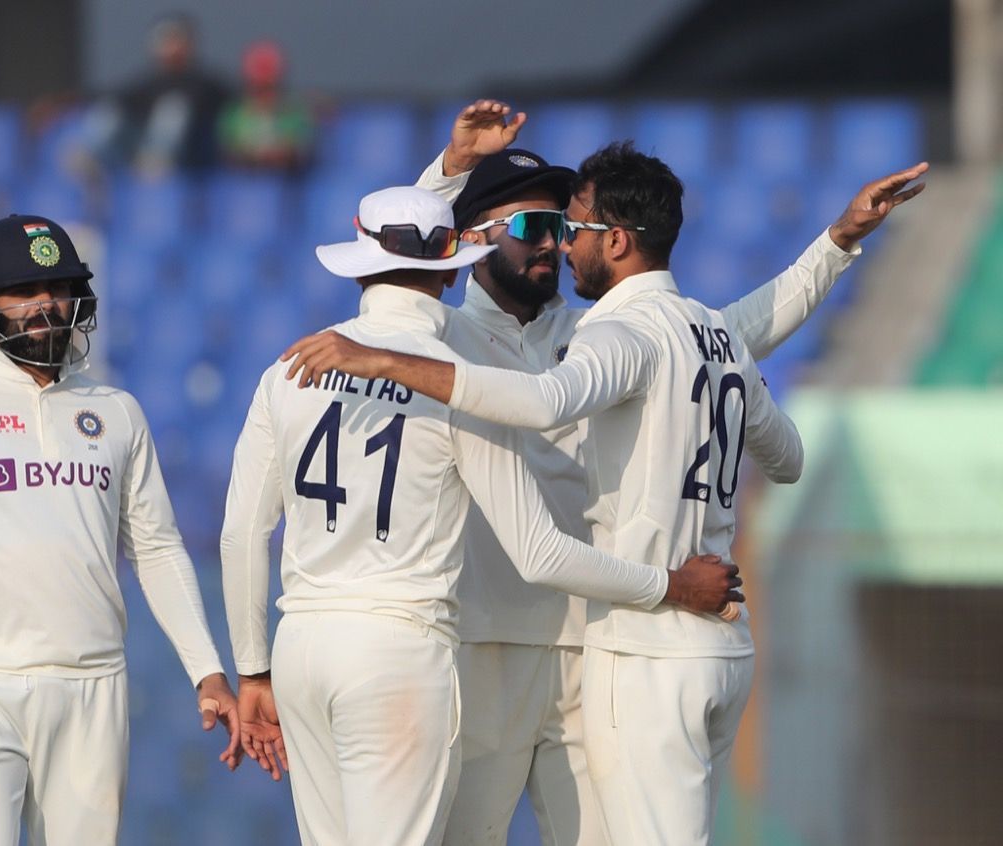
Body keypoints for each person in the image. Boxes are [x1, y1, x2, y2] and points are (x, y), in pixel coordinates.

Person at [282, 142, 926, 845]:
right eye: (533, 228)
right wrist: (445, 173)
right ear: (467, 242)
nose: (555, 244)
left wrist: (834, 245)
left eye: (563, 226)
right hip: (481, 646)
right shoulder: (442, 336)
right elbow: (400, 265)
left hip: (596, 644)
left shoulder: (598, 331)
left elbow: (729, 335)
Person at [219, 185, 744, 846]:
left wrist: (253, 669)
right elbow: (540, 552)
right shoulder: (455, 378)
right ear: (451, 267)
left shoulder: (291, 366)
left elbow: (242, 532)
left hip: (300, 646)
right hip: (399, 649)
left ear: (360, 260)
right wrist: (672, 585)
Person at [0, 214, 243, 845]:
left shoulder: (116, 412)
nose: (45, 306)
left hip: (94, 683)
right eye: (22, 292)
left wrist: (208, 670)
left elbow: (156, 548)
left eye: (59, 288)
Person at [81, 13, 230, 175]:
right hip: (138, 151)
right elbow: (117, 99)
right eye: (165, 40)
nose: (171, 46)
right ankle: (88, 160)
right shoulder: (147, 82)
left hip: (187, 160)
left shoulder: (205, 83)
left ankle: (155, 163)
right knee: (109, 111)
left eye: (176, 39)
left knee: (173, 109)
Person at [216, 40, 315, 172]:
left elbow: (300, 150)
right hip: (242, 185)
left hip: (286, 184)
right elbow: (228, 151)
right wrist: (252, 155)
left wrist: (278, 154)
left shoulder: (295, 113)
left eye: (268, 88)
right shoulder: (234, 114)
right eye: (259, 89)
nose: (264, 96)